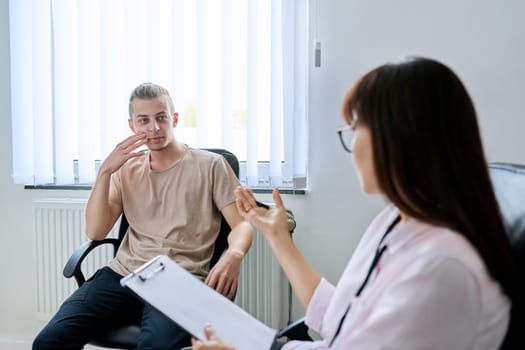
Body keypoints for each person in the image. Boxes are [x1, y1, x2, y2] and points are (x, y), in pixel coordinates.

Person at [193, 57, 516, 349]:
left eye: (356, 126)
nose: (350, 142)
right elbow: (342, 321)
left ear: (399, 137)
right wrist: (278, 236)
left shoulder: (443, 267)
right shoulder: (396, 219)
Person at [33, 82, 253, 350]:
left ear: (173, 119)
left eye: (161, 118)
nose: (154, 128)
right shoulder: (126, 170)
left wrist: (234, 255)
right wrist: (104, 173)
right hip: (123, 275)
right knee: (48, 342)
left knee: (154, 346)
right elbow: (96, 232)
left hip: (180, 280)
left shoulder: (211, 165)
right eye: (144, 121)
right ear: (132, 126)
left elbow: (241, 225)